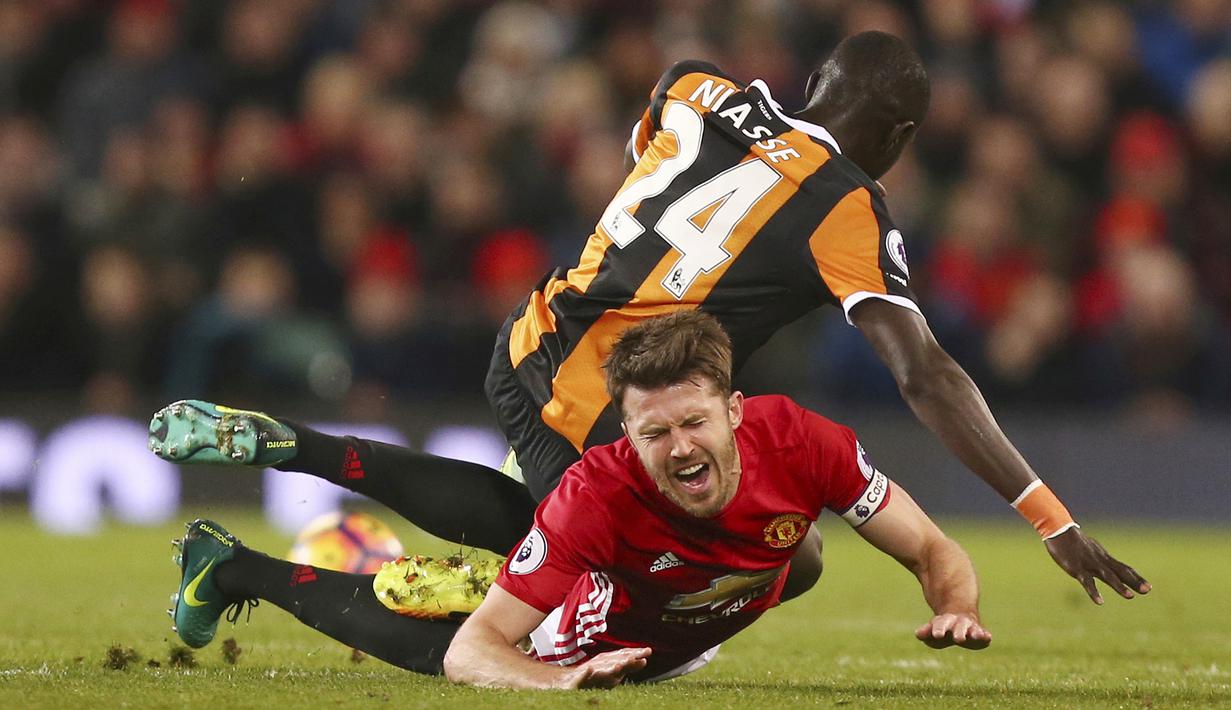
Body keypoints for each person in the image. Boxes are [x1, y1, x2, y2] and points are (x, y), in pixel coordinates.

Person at [150, 31, 1148, 605]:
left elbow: (645, 173)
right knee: (646, 583)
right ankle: (309, 541)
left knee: (710, 537)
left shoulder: (696, 85)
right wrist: (1046, 514)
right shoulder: (847, 205)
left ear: (811, 90)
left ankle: (341, 478)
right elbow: (924, 372)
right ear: (897, 137)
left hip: (535, 332)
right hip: (614, 402)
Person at [166, 312, 991, 685]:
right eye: (651, 433)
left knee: (799, 557)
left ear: (735, 410)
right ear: (623, 430)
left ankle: (299, 452)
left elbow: (931, 549)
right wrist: (553, 681)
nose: (678, 449)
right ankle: (233, 567)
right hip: (603, 624)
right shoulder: (601, 490)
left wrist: (955, 605)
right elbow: (473, 656)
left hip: (671, 600)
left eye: (694, 423)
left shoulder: (805, 443)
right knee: (454, 639)